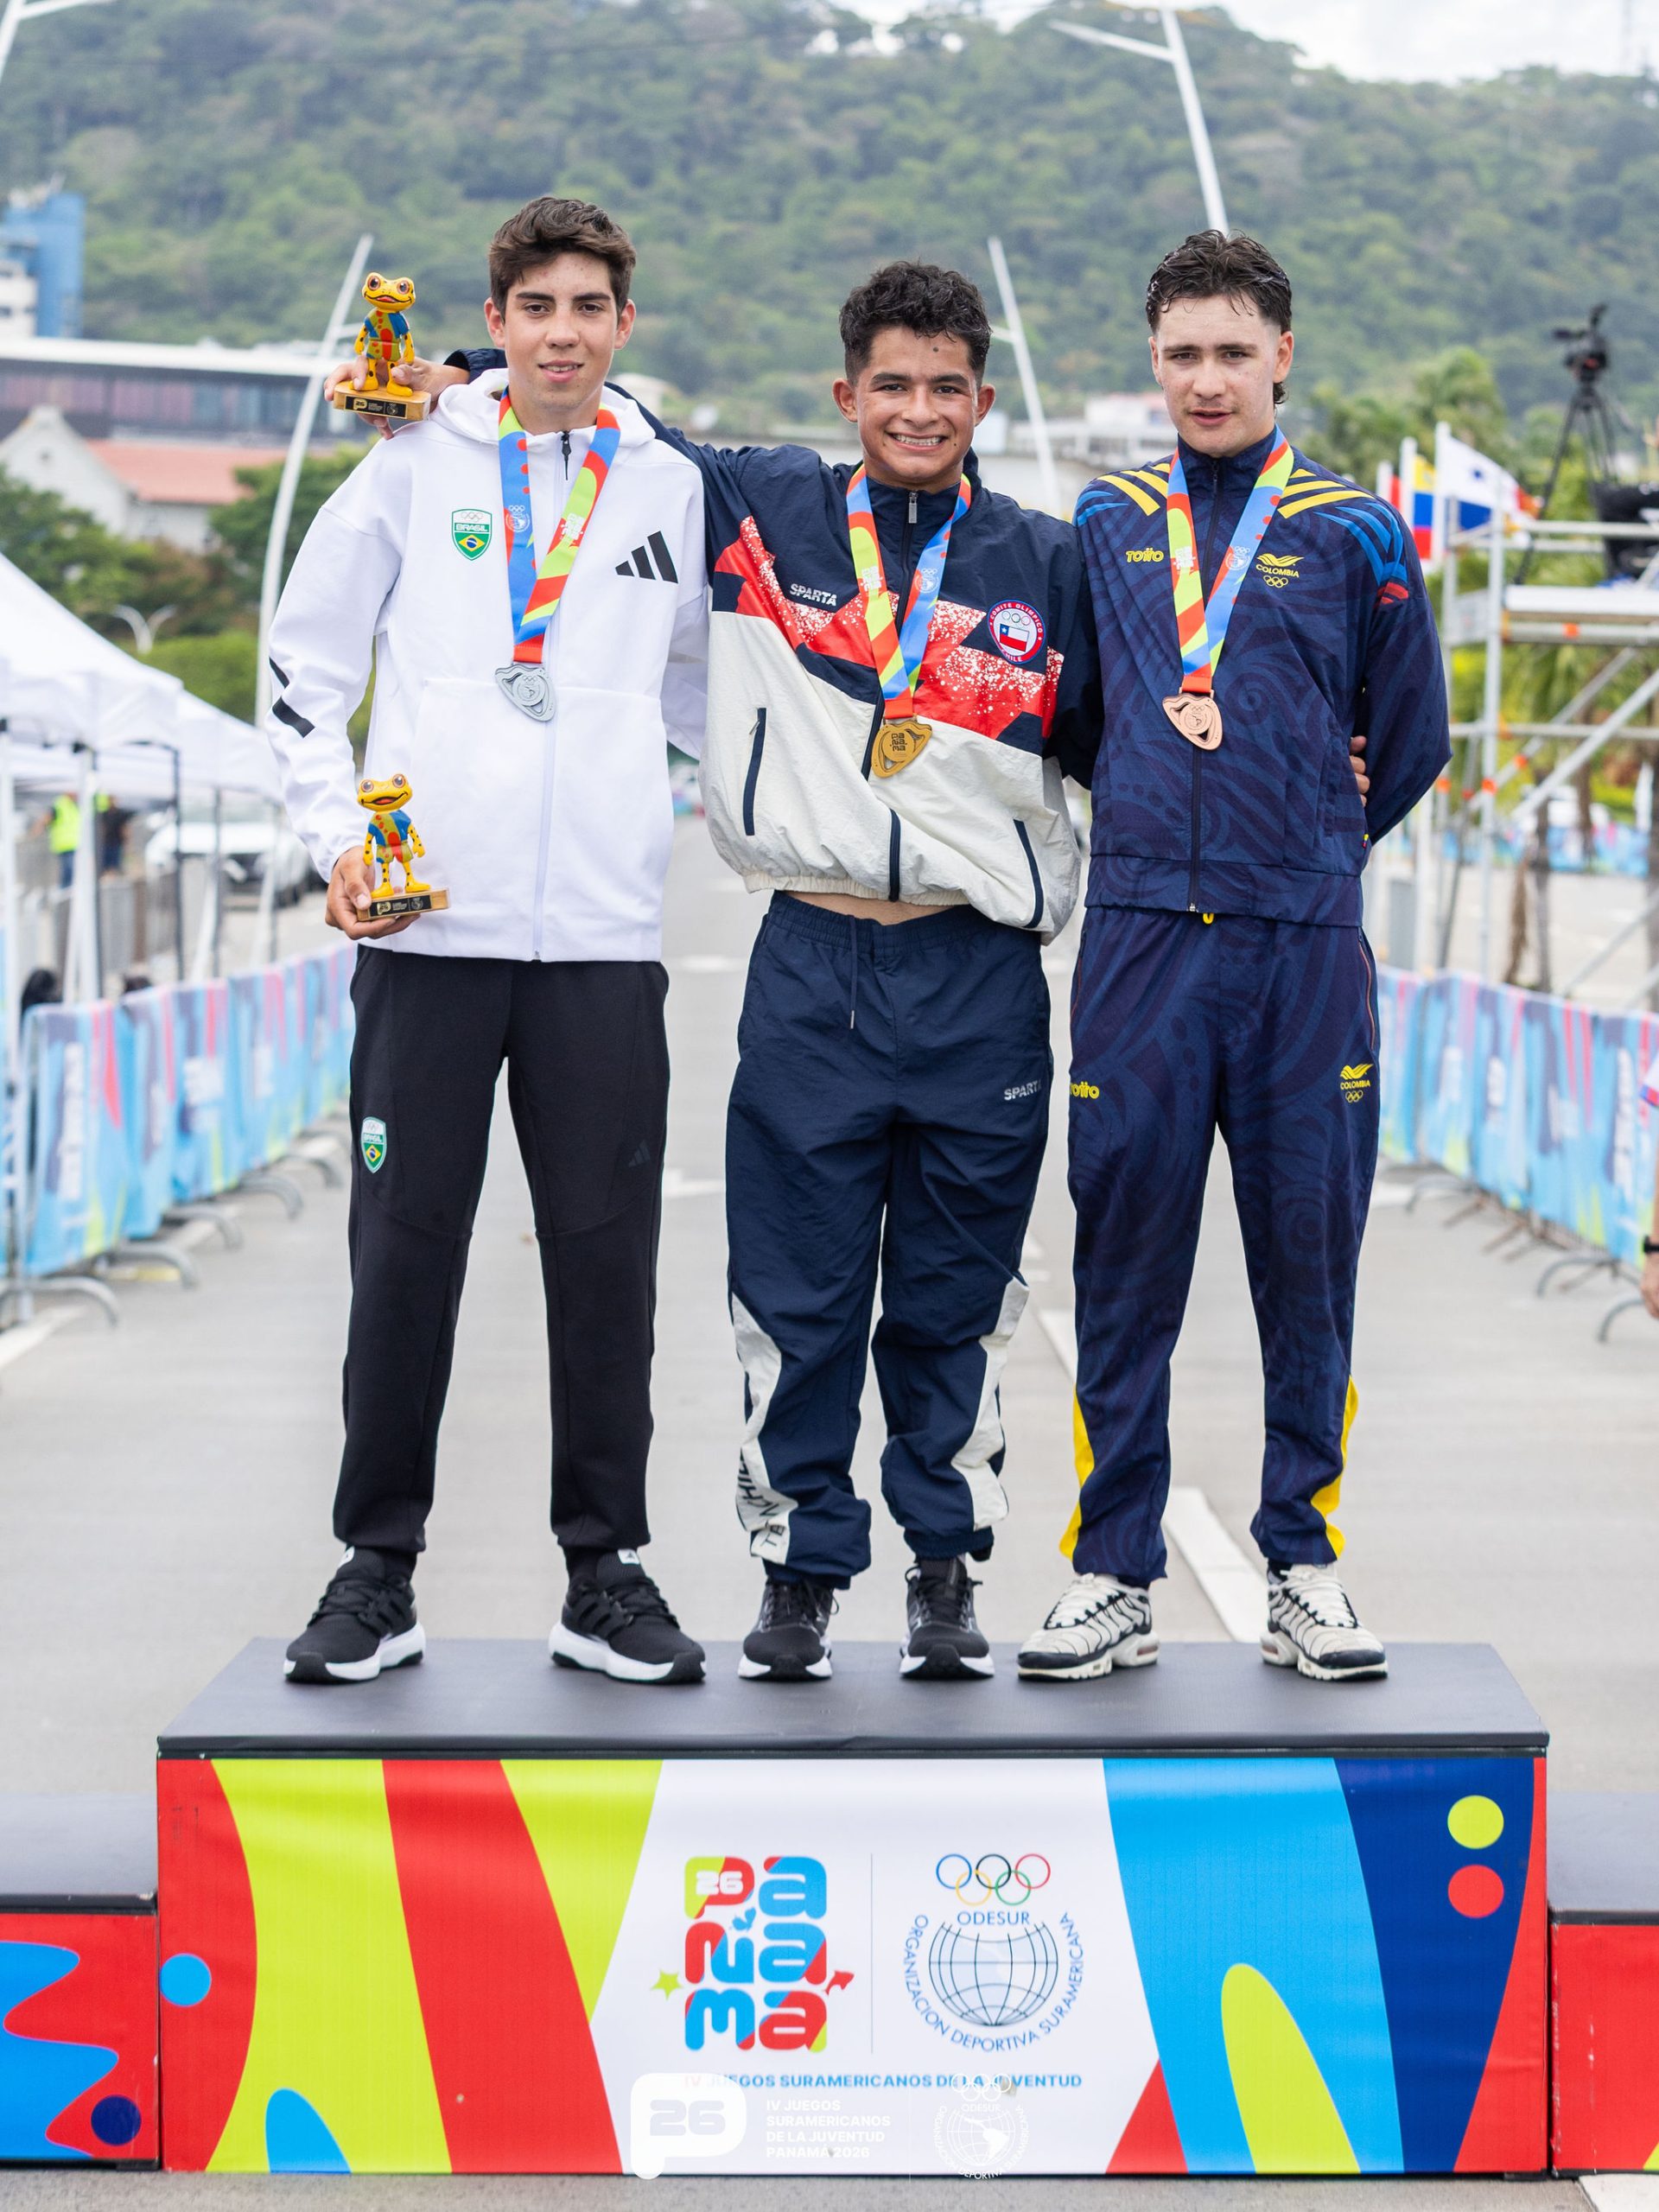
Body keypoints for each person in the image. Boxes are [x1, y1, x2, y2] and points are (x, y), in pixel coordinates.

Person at [402, 263, 1103, 1681]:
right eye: (891, 386)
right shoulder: (762, 509)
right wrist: (467, 370)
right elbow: (602, 391)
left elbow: (1126, 747)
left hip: (980, 983)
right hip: (813, 965)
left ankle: (946, 1573)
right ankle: (798, 1572)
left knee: (961, 1303)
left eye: (947, 387)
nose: (919, 411)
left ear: (983, 400)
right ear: (848, 396)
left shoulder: (1047, 561)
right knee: (794, 1297)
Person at [269, 195, 709, 1687]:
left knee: (605, 1259)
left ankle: (606, 1571)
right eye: (538, 308)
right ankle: (375, 1566)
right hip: (427, 935)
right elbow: (304, 664)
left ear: (623, 325)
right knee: (405, 1253)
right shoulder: (410, 461)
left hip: (598, 940)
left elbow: (721, 700)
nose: (564, 334)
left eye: (591, 307)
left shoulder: (671, 487)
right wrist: (337, 842)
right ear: (500, 320)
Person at [1017, 231, 1450, 1684]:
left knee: (1305, 1267)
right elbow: (1078, 717)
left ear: (1282, 358)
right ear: (1155, 363)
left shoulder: (1355, 532)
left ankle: (1304, 1563)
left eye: (1233, 353)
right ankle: (1109, 1570)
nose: (1208, 379)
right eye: (1182, 354)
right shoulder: (1102, 519)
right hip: (1141, 938)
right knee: (1123, 1258)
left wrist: (1311, 834)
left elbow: (1413, 737)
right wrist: (1161, 805)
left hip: (1301, 945)